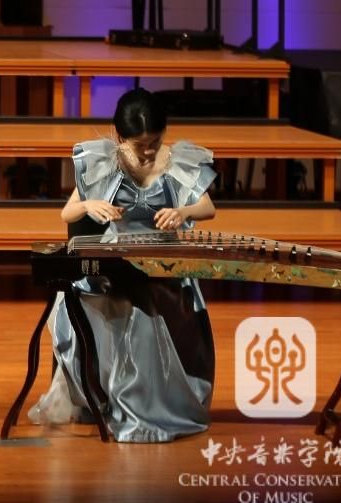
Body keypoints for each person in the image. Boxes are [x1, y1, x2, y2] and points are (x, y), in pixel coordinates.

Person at [29, 88, 218, 442]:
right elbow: (67, 213)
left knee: (144, 306)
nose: (148, 151)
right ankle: (108, 397)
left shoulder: (176, 161)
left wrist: (183, 212)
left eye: (154, 142)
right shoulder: (106, 161)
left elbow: (207, 208)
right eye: (139, 145)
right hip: (117, 260)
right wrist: (90, 205)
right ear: (120, 137)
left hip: (163, 265)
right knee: (89, 300)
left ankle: (149, 407)